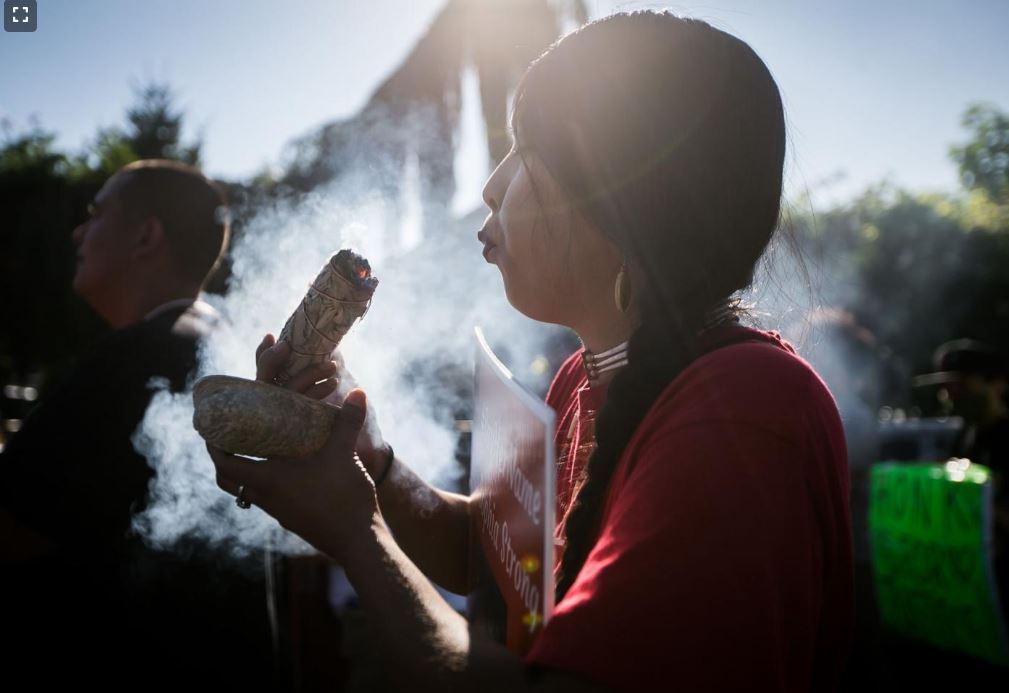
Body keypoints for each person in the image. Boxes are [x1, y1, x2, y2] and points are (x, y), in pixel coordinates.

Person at [209, 12, 854, 692]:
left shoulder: (742, 414)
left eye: (525, 152)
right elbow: (497, 557)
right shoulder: (583, 375)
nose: (490, 185)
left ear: (616, 198)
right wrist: (370, 458)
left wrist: (357, 535)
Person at [0, 160, 281, 687]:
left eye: (97, 213)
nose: (79, 232)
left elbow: (11, 527)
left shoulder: (141, 356)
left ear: (146, 235)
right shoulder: (226, 343)